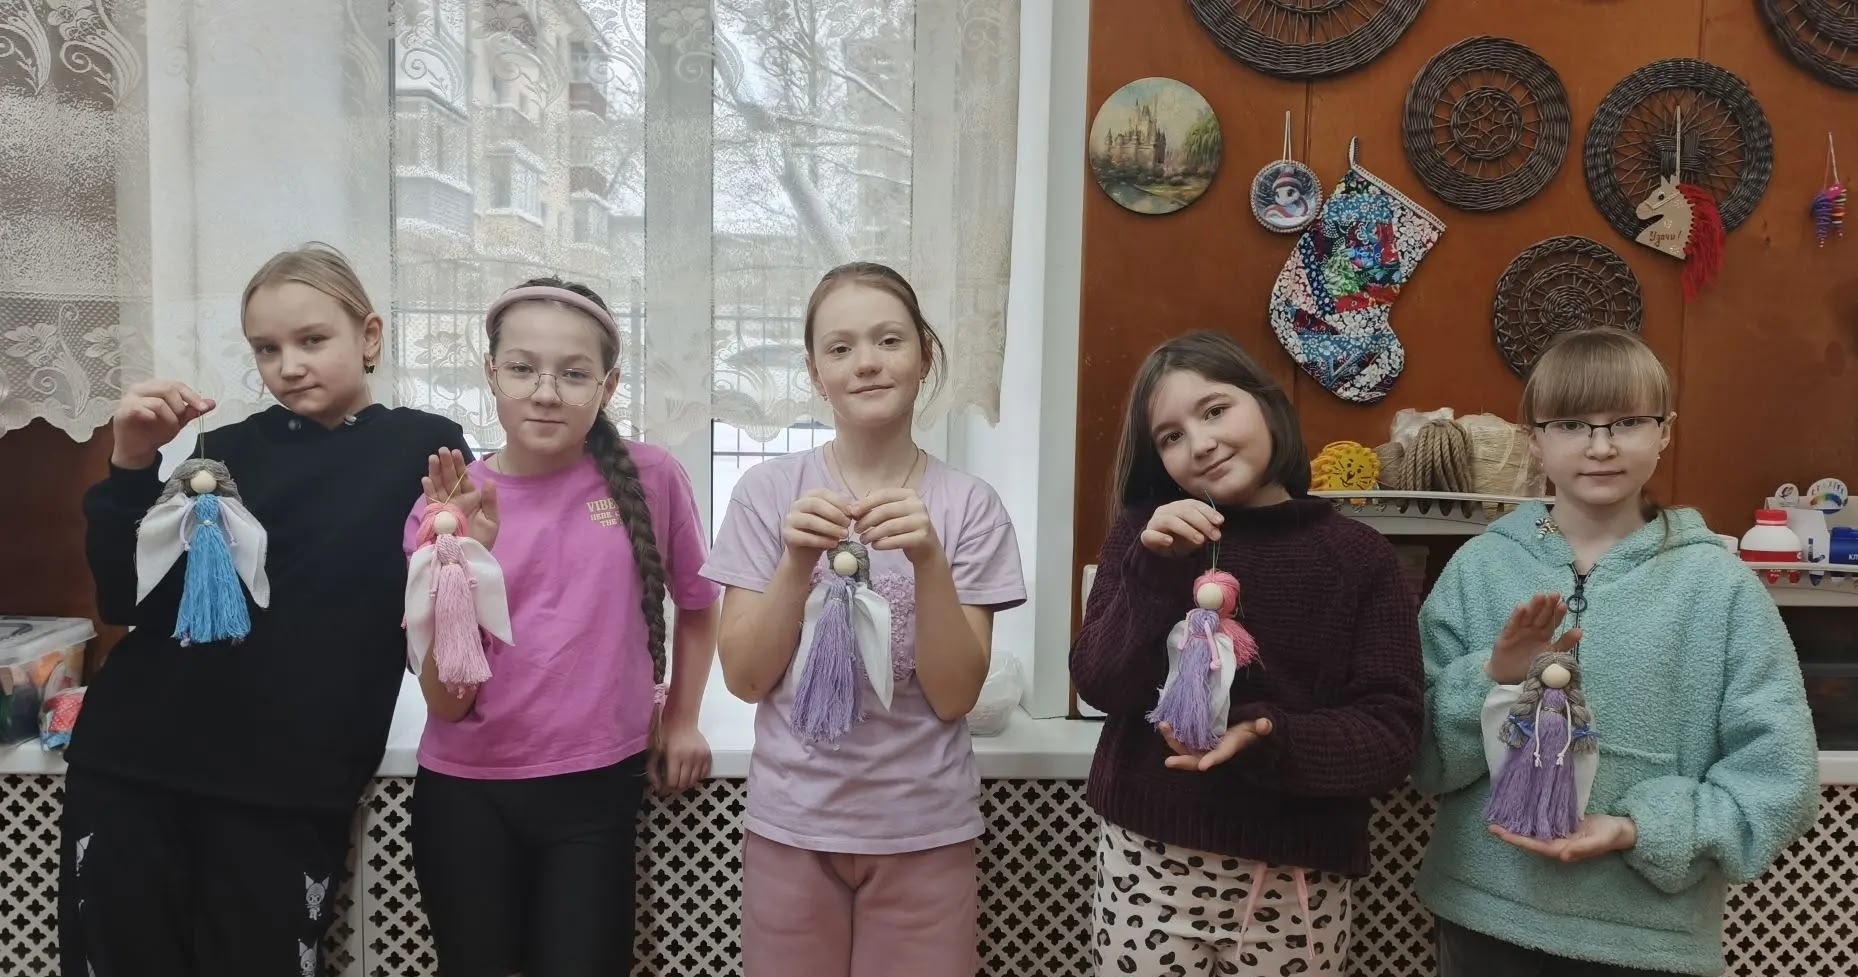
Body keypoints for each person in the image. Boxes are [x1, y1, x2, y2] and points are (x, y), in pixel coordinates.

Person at [61, 243, 471, 977]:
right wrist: (130, 463)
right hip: (135, 761)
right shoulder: (219, 450)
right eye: (267, 348)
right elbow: (127, 601)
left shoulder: (426, 447)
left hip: (290, 779)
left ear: (369, 335)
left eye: (312, 339)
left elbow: (457, 588)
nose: (289, 365)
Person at [1413, 327, 1820, 977]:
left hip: (1650, 937)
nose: (1600, 446)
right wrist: (1495, 674)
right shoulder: (1478, 568)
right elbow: (1422, 755)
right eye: (1572, 423)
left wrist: (1639, 829)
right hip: (1485, 913)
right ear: (1535, 438)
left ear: (1665, 431)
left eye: (1627, 421)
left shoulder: (1720, 587)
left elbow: (1780, 778)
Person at [703, 262, 1026, 977]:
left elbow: (955, 695)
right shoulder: (766, 492)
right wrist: (795, 562)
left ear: (925, 355)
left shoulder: (969, 505)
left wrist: (929, 561)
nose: (867, 362)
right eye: (841, 347)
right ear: (815, 373)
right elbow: (746, 678)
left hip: (925, 828)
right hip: (792, 824)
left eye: (889, 340)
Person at [1070, 330, 1423, 976]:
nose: (1199, 443)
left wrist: (1267, 738)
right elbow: (1099, 682)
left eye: (1214, 410)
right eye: (1170, 436)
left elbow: (1391, 733)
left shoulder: (1360, 558)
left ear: (1267, 403)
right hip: (1148, 863)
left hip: (1295, 879)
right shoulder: (1145, 535)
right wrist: (1153, 572)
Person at [404, 277, 720, 977]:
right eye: (522, 368)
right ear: (491, 372)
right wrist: (463, 563)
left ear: (608, 386)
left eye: (574, 374)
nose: (545, 393)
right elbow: (448, 702)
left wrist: (684, 717)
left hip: (596, 788)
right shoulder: (447, 506)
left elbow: (698, 604)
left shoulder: (653, 476)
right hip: (465, 793)